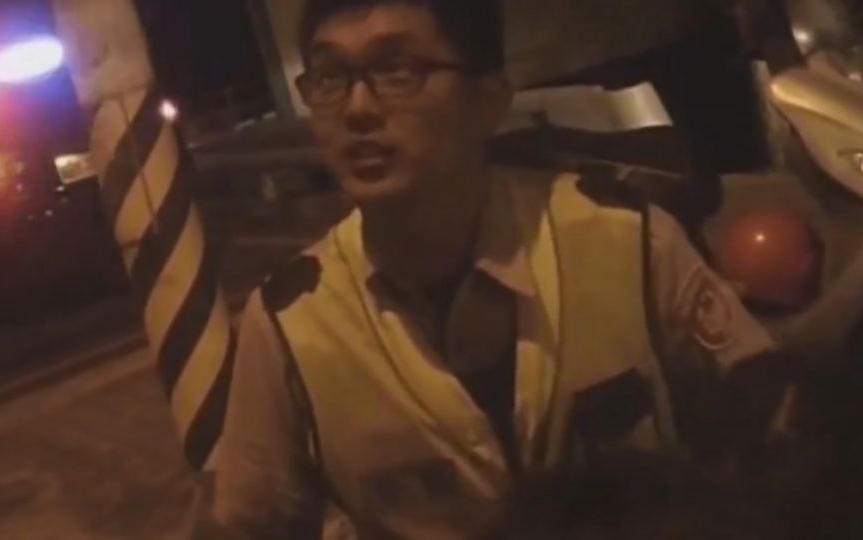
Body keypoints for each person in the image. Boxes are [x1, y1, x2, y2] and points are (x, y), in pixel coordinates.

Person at [213, 0, 787, 537]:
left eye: (397, 70)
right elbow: (249, 523)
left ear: (489, 99)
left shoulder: (625, 241)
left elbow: (770, 430)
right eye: (329, 77)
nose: (358, 108)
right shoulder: (292, 324)